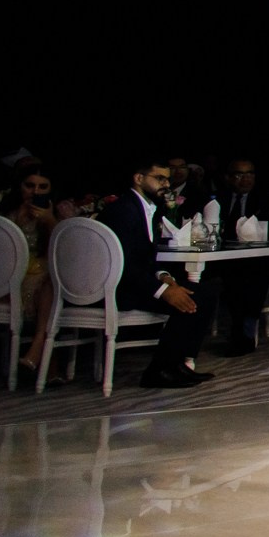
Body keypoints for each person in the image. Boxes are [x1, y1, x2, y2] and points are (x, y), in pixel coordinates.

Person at [95, 158, 219, 388]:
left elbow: (145, 259)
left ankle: (175, 363)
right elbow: (123, 265)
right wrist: (163, 291)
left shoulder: (146, 208)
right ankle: (159, 370)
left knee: (205, 292)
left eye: (167, 180)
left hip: (134, 282)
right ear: (139, 178)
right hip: (117, 288)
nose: (166, 184)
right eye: (159, 178)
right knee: (192, 296)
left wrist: (166, 278)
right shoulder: (124, 211)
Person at [213, 158, 269, 356]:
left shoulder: (265, 198)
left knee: (252, 275)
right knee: (230, 277)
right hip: (223, 259)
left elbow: (268, 230)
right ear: (228, 178)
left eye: (250, 174)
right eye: (240, 175)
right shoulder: (218, 198)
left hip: (257, 258)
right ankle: (238, 330)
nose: (246, 179)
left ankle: (244, 332)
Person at [6, 167, 63, 386]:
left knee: (52, 283)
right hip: (13, 276)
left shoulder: (55, 213)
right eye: (30, 185)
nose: (34, 191)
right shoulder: (8, 213)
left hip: (44, 272)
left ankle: (37, 348)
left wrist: (49, 220)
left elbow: (60, 250)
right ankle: (46, 360)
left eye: (42, 187)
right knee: (48, 286)